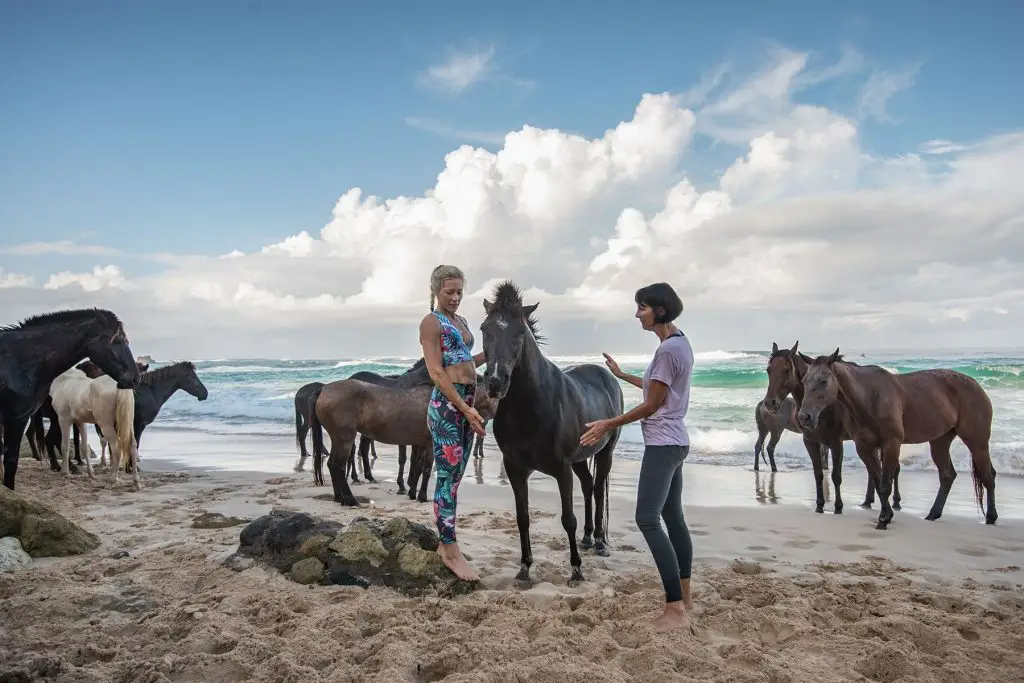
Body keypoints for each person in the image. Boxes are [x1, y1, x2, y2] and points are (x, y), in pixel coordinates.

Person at [579, 282, 694, 632]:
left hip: (663, 445)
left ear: (658, 310)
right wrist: (620, 375)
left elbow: (652, 404)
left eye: (641, 307)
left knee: (647, 518)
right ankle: (685, 599)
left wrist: (608, 423)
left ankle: (674, 608)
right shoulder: (679, 342)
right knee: (673, 518)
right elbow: (657, 388)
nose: (636, 313)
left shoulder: (666, 351)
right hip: (676, 442)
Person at [419, 264, 487, 581]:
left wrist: (494, 351)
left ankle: (446, 543)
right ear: (436, 290)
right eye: (450, 292)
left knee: (457, 477)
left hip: (466, 404)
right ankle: (451, 550)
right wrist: (463, 408)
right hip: (448, 406)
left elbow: (464, 361)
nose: (456, 297)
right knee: (447, 478)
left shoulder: (460, 321)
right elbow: (436, 372)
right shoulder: (431, 323)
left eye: (459, 291)